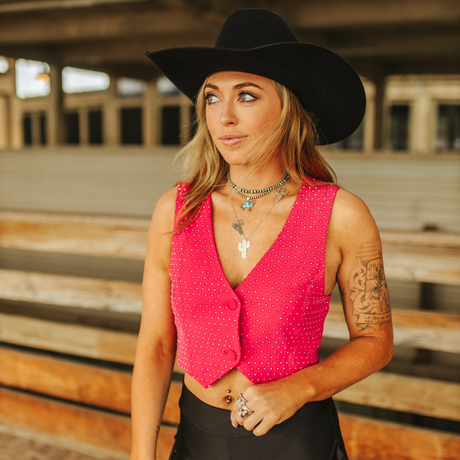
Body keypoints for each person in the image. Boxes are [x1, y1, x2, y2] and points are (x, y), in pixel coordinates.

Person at [131, 8, 393, 460]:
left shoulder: (341, 215)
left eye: (246, 96)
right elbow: (155, 344)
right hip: (196, 440)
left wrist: (300, 387)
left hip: (296, 442)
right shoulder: (175, 210)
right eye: (212, 98)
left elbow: (376, 341)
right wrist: (140, 455)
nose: (224, 117)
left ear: (287, 107)